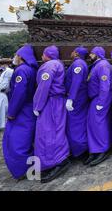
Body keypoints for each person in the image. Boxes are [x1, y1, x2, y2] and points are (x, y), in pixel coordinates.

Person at [33, 46, 70, 183]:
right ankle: (58, 158)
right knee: (57, 130)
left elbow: (43, 88)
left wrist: (37, 105)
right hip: (57, 101)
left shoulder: (49, 66)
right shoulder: (58, 64)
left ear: (46, 55)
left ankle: (56, 161)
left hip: (51, 102)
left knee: (48, 132)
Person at [2, 45, 38, 180]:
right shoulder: (31, 69)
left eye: (16, 55)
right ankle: (32, 168)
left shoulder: (22, 70)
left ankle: (24, 169)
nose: (14, 58)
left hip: (22, 110)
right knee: (28, 139)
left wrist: (12, 112)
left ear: (21, 56)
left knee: (18, 141)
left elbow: (19, 93)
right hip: (29, 107)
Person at [85, 47, 112, 166]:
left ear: (97, 54)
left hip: (100, 99)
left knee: (99, 124)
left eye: (92, 53)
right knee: (94, 124)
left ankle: (102, 149)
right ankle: (96, 149)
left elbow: (105, 86)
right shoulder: (97, 65)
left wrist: (101, 102)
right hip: (95, 98)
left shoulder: (102, 65)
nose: (90, 55)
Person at [65, 47, 89, 160]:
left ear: (76, 53)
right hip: (79, 97)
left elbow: (76, 82)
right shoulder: (79, 63)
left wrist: (71, 98)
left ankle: (80, 148)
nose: (71, 52)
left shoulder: (78, 64)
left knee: (75, 123)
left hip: (77, 98)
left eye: (73, 51)